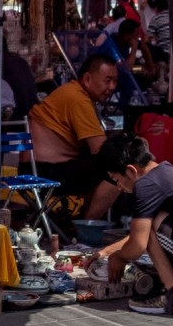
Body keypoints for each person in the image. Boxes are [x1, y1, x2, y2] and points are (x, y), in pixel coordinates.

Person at [94, 132, 173, 301]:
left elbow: (138, 245)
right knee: (151, 225)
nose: (118, 187)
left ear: (131, 171)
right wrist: (106, 252)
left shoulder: (146, 185)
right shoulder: (166, 173)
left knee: (150, 229)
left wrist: (118, 257)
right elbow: (138, 235)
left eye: (116, 180)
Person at [29, 51, 119, 214]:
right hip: (43, 172)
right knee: (118, 170)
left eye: (115, 81)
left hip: (42, 167)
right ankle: (88, 228)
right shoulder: (78, 99)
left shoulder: (74, 92)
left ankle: (83, 222)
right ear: (87, 79)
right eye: (107, 81)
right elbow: (102, 151)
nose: (112, 87)